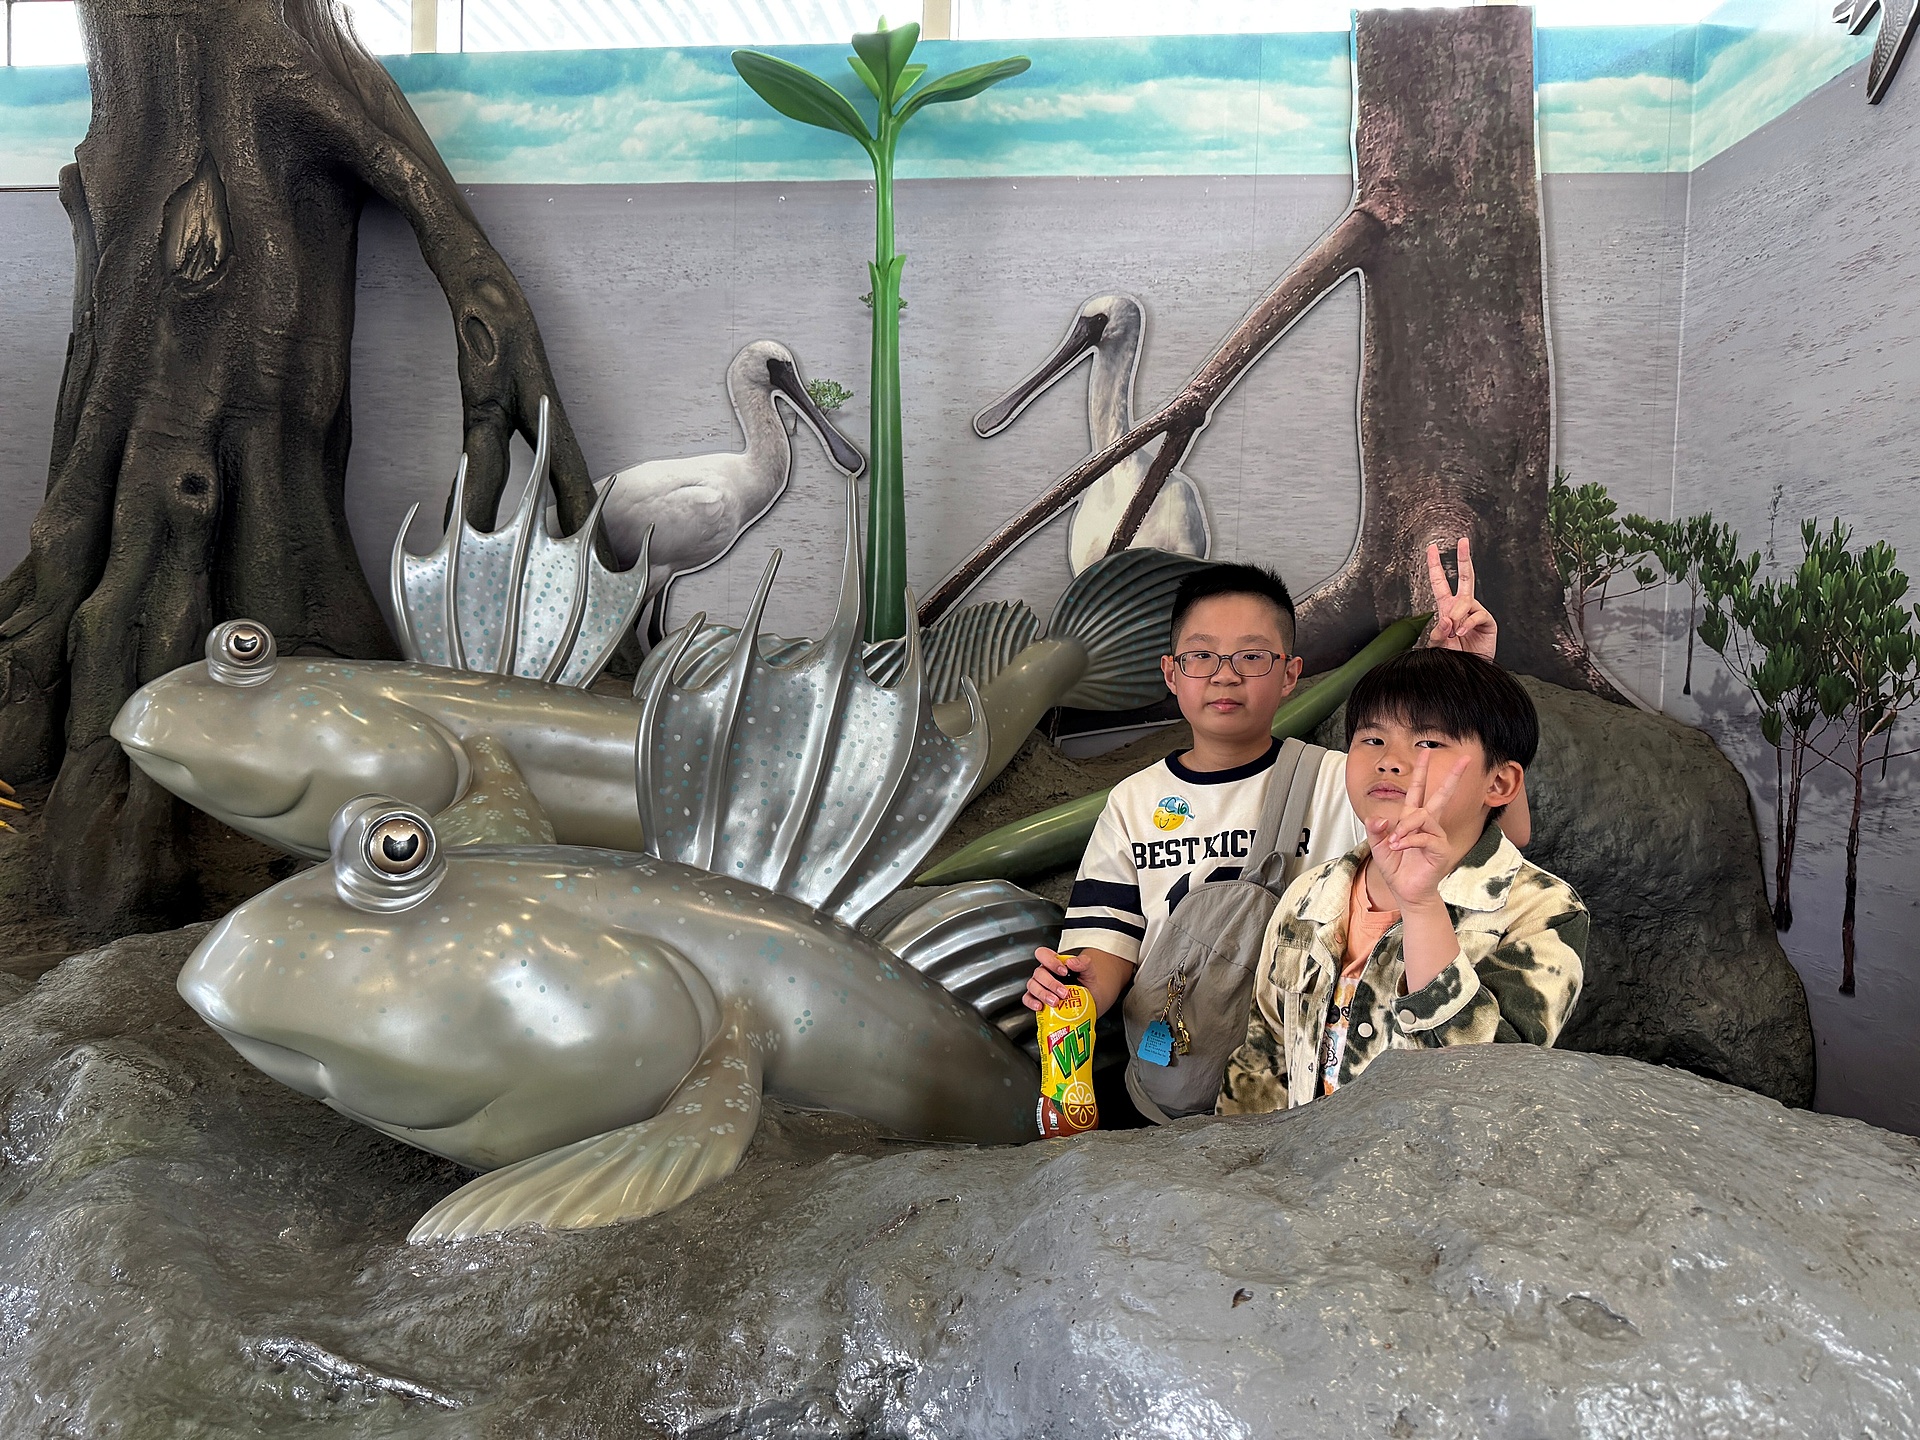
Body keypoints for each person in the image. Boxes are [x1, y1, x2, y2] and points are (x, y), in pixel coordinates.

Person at [1023, 540, 1513, 1029]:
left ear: (1289, 675)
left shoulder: (1348, 778)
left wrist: (1470, 683)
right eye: (1201, 655)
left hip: (1309, 1055)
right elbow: (1106, 941)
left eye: (1252, 656)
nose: (1225, 676)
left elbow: (1488, 837)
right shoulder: (1132, 802)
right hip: (1177, 1060)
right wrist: (1075, 993)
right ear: (1171, 673)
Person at [1215, 647, 1586, 1113]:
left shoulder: (1545, 911)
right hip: (1300, 1157)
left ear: (1499, 784)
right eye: (1372, 739)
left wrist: (1421, 905)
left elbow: (1491, 1082)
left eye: (1428, 743)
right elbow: (1263, 1058)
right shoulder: (1309, 894)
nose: (1390, 760)